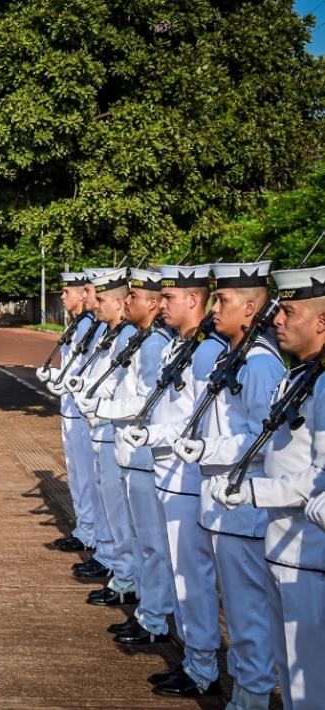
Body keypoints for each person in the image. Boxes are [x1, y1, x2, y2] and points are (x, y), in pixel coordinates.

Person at [210, 263, 325, 709]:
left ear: (320, 322)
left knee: (310, 683)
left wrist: (259, 492)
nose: (277, 319)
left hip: (310, 554)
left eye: (289, 312)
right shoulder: (301, 376)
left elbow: (319, 476)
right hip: (283, 547)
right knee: (291, 678)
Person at [172, 261, 283, 708]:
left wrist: (208, 450)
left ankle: (252, 700)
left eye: (224, 300)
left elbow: (263, 437)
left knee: (249, 617)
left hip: (244, 507)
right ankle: (242, 694)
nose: (215, 307)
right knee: (237, 617)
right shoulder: (233, 355)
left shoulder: (259, 365)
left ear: (252, 307)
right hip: (222, 505)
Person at [123, 263, 225, 697]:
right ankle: (193, 659)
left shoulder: (205, 352)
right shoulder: (182, 346)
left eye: (168, 298)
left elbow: (193, 422)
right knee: (181, 577)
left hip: (185, 478)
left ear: (192, 301)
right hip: (169, 475)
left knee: (192, 578)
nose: (161, 304)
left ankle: (203, 667)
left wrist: (154, 434)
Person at [78, 268, 174, 642]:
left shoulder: (150, 344)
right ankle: (146, 608)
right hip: (128, 450)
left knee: (150, 543)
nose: (128, 302)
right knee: (137, 537)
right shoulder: (141, 338)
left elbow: (148, 399)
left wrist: (104, 408)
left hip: (143, 455)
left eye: (134, 297)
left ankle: (153, 617)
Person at [67, 267, 139, 606]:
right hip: (101, 429)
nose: (94, 303)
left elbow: (130, 388)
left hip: (115, 431)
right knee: (106, 503)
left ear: (119, 302)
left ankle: (124, 573)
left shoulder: (128, 337)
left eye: (101, 298)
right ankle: (114, 563)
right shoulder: (108, 332)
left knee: (119, 511)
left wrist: (99, 405)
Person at [38, 271, 100, 552]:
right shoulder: (77, 325)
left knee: (87, 476)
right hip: (70, 407)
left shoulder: (90, 326)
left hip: (84, 410)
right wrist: (55, 376)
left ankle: (91, 531)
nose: (63, 297)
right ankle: (84, 526)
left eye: (67, 292)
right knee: (77, 474)